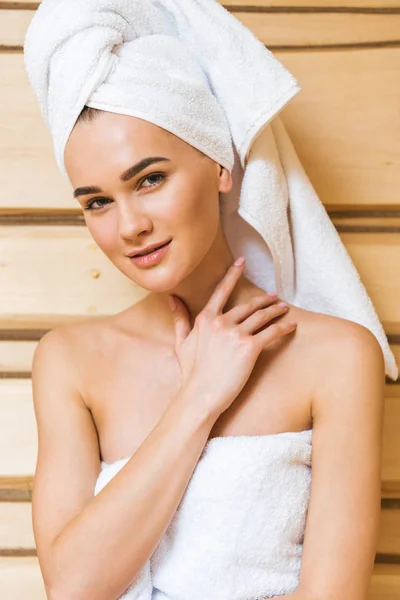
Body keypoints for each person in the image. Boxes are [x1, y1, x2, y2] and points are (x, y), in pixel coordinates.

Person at [29, 106, 385, 600]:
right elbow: (71, 590)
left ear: (220, 166)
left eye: (150, 179)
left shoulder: (336, 356)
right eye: (97, 202)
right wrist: (197, 400)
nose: (130, 226)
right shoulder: (68, 361)